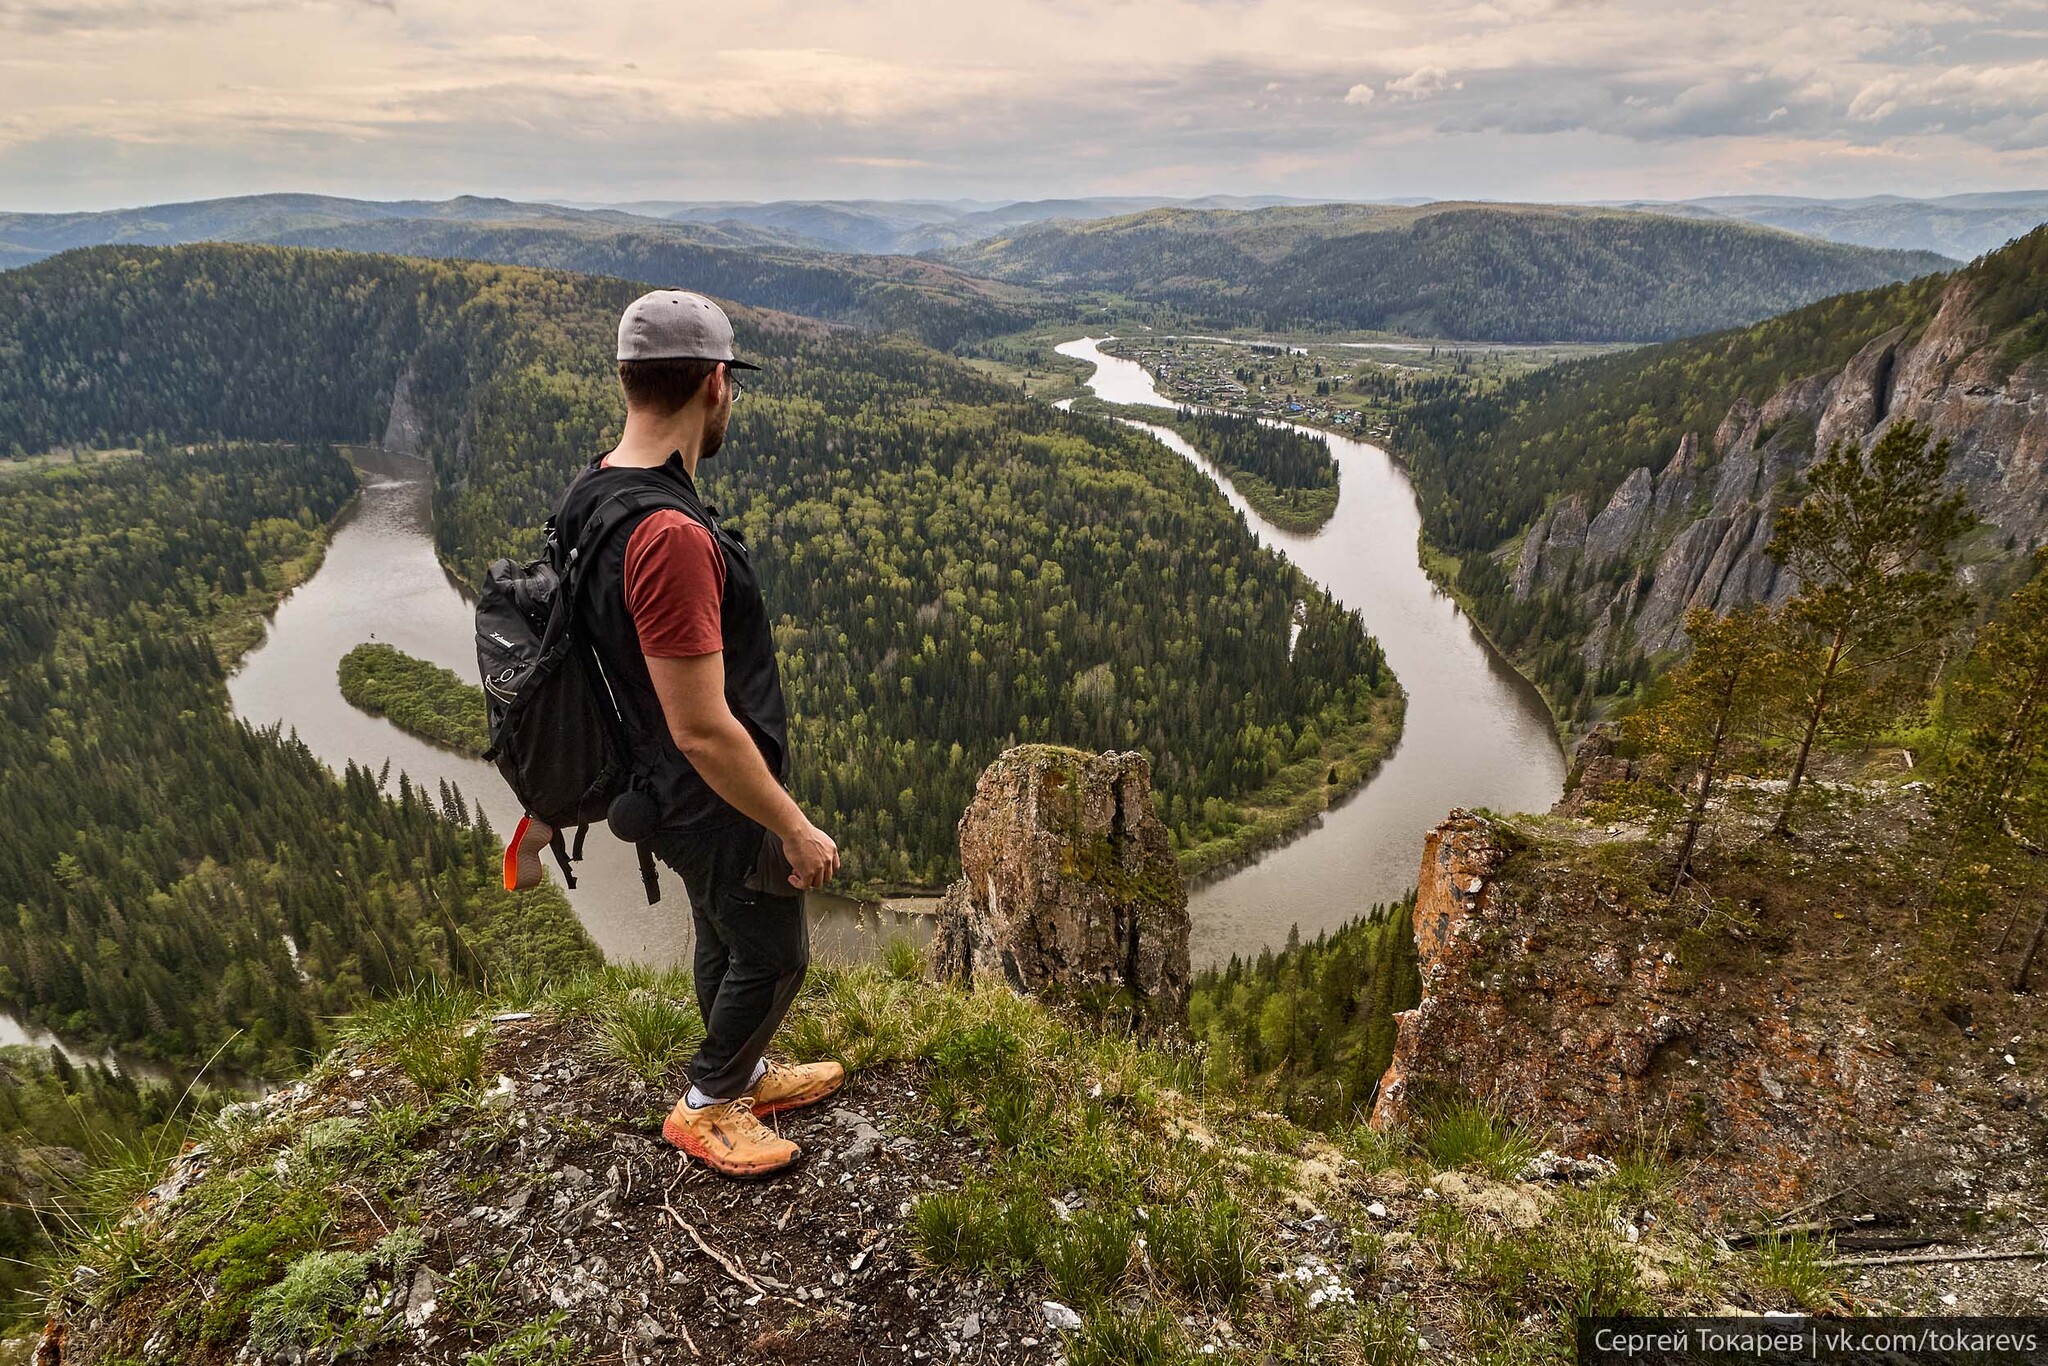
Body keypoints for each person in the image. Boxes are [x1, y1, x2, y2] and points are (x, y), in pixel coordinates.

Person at [551, 289, 843, 1178]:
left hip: (655, 785)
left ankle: (744, 1070)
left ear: (629, 379)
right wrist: (793, 824)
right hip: (702, 789)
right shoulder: (668, 533)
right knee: (776, 950)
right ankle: (708, 1103)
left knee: (725, 927)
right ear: (715, 383)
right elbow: (705, 727)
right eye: (733, 386)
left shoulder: (597, 488)